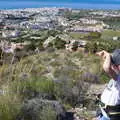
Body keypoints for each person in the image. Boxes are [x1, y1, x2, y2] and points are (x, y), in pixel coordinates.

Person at [95, 49, 120, 120]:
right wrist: (108, 57)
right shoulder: (116, 76)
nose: (112, 65)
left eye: (113, 64)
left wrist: (108, 55)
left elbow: (106, 68)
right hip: (105, 113)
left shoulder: (118, 78)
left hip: (110, 116)